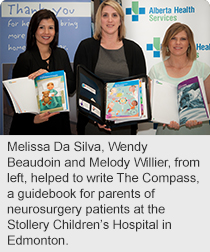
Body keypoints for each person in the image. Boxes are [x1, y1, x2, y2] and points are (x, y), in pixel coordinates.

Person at [74, 0, 146, 135]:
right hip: (92, 124)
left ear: (121, 20)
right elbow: (81, 87)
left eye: (114, 15)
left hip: (124, 124)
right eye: (105, 15)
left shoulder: (134, 50)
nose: (110, 20)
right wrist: (97, 119)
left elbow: (139, 89)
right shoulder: (86, 47)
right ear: (99, 20)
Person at [9, 9, 75, 135]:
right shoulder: (24, 59)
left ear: (55, 31)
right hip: (34, 126)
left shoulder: (62, 54)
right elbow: (18, 99)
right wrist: (33, 119)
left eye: (51, 27)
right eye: (41, 27)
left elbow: (71, 87)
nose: (46, 32)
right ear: (34, 30)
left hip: (60, 124)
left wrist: (50, 78)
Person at [149, 22, 210, 135]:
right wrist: (163, 119)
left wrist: (198, 117)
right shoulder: (156, 71)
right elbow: (151, 108)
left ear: (189, 43)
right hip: (167, 134)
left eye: (183, 39)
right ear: (167, 42)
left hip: (199, 133)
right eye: (173, 38)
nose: (178, 43)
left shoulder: (202, 69)